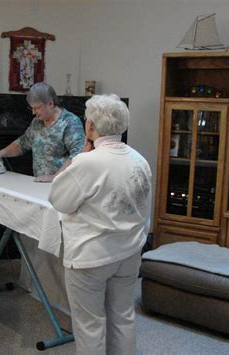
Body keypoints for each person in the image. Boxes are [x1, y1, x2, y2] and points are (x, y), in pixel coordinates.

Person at [48, 94, 152, 355]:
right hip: (129, 251)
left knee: (90, 325)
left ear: (90, 126)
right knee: (123, 316)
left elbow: (59, 199)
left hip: (91, 257)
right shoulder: (139, 160)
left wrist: (79, 156)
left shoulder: (88, 162)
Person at [0, 82, 85, 182]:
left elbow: (78, 154)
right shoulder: (37, 122)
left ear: (50, 104)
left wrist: (55, 177)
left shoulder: (70, 122)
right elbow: (23, 143)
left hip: (63, 184)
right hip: (40, 183)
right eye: (32, 108)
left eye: (37, 108)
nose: (33, 112)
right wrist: (0, 153)